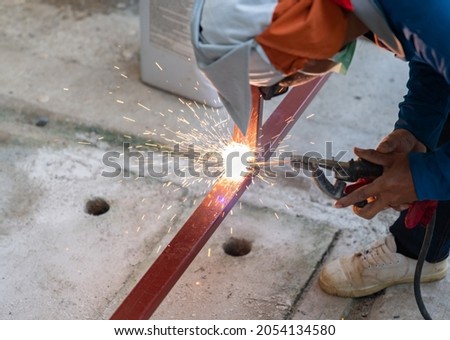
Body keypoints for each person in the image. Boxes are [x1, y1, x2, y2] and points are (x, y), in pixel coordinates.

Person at [191, 0, 450, 298]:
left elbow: (435, 36)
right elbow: (432, 55)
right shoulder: (412, 17)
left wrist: (425, 176)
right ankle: (421, 250)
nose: (282, 88)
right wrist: (417, 126)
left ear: (304, 50)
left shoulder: (426, 15)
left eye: (277, 86)